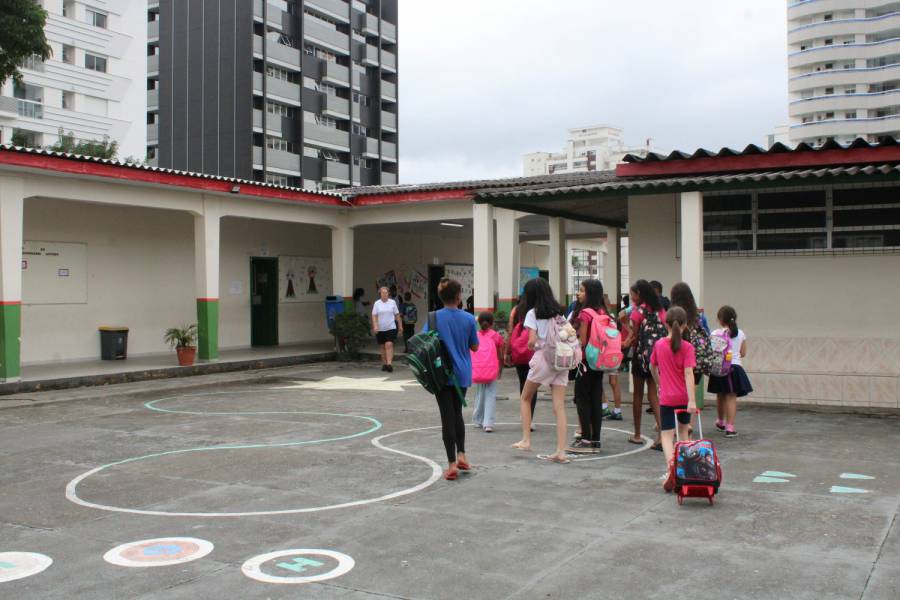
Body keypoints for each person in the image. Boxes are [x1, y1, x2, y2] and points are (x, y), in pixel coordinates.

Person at [423, 278, 479, 480]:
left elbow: (423, 344)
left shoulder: (433, 318)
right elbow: (475, 346)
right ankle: (462, 454)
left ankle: (451, 464)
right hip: (462, 372)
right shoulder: (469, 319)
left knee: (447, 416)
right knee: (457, 414)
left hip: (440, 374)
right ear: (459, 296)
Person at [511, 278, 570, 464]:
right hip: (561, 360)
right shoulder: (559, 312)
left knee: (525, 397)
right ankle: (561, 451)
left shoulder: (532, 313)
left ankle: (526, 439)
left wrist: (534, 345)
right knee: (559, 406)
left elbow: (531, 341)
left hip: (543, 359)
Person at [649, 306, 698, 492]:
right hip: (684, 397)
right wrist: (692, 400)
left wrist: (660, 383)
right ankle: (683, 469)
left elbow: (652, 367)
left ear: (665, 323)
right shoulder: (688, 347)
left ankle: (671, 467)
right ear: (685, 325)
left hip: (667, 397)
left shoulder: (660, 345)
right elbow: (688, 373)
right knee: (684, 433)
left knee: (667, 435)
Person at [623, 279, 665, 449]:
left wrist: (623, 326)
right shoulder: (660, 310)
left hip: (641, 357)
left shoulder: (637, 312)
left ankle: (637, 434)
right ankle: (663, 434)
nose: (631, 298)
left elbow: (633, 337)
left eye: (632, 294)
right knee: (654, 395)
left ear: (639, 294)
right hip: (658, 357)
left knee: (638, 396)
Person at [568, 279, 607, 453]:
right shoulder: (602, 311)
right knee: (595, 399)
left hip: (585, 361)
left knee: (582, 399)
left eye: (582, 290)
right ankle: (596, 441)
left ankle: (585, 439)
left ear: (589, 293)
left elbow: (582, 341)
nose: (579, 293)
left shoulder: (585, 314)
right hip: (599, 361)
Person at [669, 282, 711, 426]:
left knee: (678, 392)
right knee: (691, 392)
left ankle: (677, 425)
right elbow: (707, 335)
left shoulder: (673, 314)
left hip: (678, 359)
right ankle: (690, 426)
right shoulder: (699, 316)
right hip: (697, 360)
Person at [708, 305, 752, 438]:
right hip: (735, 368)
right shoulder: (741, 333)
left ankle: (720, 422)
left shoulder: (715, 333)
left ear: (720, 319)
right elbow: (743, 353)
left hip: (719, 368)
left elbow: (712, 351)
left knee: (720, 395)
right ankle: (730, 427)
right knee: (731, 397)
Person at [506, 293, 537, 430]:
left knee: (522, 383)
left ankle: (524, 414)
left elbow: (510, 331)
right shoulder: (537, 311)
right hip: (533, 352)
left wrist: (507, 351)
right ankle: (530, 418)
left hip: (518, 352)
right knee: (533, 385)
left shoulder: (515, 310)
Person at [471, 312, 504, 433]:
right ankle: (488, 423)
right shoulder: (496, 336)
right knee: (490, 394)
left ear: (479, 323)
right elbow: (500, 355)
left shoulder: (475, 335)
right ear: (492, 323)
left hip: (479, 370)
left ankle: (477, 420)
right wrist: (501, 368)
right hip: (491, 370)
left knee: (480, 394)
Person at [371, 286, 402, 372]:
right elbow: (374, 315)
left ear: (388, 294)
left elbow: (397, 315)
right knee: (382, 346)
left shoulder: (392, 302)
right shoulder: (377, 303)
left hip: (390, 327)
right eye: (382, 293)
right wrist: (375, 326)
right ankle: (384, 363)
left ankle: (389, 364)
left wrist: (400, 326)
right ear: (380, 294)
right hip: (380, 328)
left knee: (389, 344)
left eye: (386, 293)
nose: (384, 294)